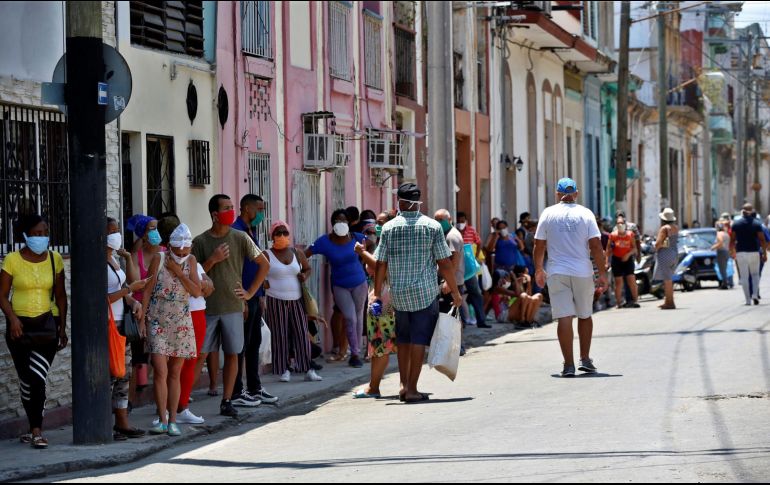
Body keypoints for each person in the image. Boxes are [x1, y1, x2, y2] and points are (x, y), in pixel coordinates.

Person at [372, 183, 462, 403]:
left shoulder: (389, 228)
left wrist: (376, 293)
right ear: (418, 203)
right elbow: (445, 263)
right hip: (424, 293)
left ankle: (403, 385)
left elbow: (380, 263)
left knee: (403, 340)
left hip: (399, 294)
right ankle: (412, 389)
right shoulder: (432, 227)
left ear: (401, 202)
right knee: (418, 340)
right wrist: (456, 293)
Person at [191, 195, 270, 418]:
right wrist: (212, 260)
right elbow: (193, 274)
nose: (231, 211)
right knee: (200, 355)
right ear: (214, 214)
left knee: (233, 353)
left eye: (232, 207)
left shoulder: (240, 237)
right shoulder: (200, 241)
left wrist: (250, 293)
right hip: (206, 308)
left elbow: (264, 263)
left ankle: (227, 400)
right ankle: (183, 402)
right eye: (226, 208)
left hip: (233, 306)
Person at [0, 214, 68, 449]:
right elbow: (2, 295)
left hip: (46, 327)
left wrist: (63, 327)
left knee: (37, 377)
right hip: (18, 329)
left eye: (45, 233)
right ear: (26, 235)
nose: (42, 237)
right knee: (26, 381)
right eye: (37, 233)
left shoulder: (54, 259)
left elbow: (60, 295)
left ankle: (37, 431)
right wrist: (12, 319)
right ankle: (32, 428)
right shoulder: (12, 260)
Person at [534, 178, 608, 377]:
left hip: (557, 271)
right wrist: (602, 273)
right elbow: (596, 246)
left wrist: (539, 269)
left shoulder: (548, 214)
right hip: (582, 271)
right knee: (585, 315)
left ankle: (568, 365)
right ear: (576, 193)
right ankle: (584, 358)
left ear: (557, 194)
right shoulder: (586, 214)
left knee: (564, 317)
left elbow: (539, 245)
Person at [141, 224, 202, 436]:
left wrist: (179, 272)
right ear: (171, 248)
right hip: (157, 318)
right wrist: (142, 320)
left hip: (181, 321)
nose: (182, 255)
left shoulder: (191, 262)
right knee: (160, 369)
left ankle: (173, 419)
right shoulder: (159, 259)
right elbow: (147, 290)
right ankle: (162, 419)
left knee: (175, 372)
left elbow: (196, 291)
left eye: (186, 252)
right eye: (178, 252)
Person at [230, 194, 278, 406]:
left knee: (254, 342)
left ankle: (254, 387)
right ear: (246, 208)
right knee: (241, 345)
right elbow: (236, 269)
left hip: (255, 294)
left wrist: (260, 295)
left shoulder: (251, 230)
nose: (261, 214)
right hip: (243, 296)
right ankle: (237, 391)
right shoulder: (237, 231)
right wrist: (244, 298)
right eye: (259, 209)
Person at [306, 209, 369, 368]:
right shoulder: (325, 241)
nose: (341, 224)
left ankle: (355, 353)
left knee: (359, 316)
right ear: (332, 223)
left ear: (348, 223)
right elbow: (305, 253)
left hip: (359, 283)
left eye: (344, 221)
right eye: (338, 221)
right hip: (340, 285)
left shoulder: (357, 238)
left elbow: (371, 244)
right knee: (350, 318)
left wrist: (370, 261)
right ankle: (351, 350)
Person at [106, 218, 148, 440]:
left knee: (124, 374)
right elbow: (102, 298)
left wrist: (134, 301)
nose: (116, 234)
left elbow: (122, 290)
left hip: (123, 322)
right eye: (111, 231)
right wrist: (130, 290)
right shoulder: (97, 264)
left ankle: (122, 421)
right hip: (109, 324)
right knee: (111, 374)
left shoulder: (113, 259)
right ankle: (104, 422)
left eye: (116, 230)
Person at [265, 221, 323, 383]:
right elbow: (259, 274)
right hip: (275, 300)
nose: (282, 236)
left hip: (297, 300)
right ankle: (284, 369)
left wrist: (305, 276)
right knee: (279, 335)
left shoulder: (297, 253)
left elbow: (307, 268)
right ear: (272, 236)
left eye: (285, 232)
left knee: (301, 334)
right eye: (278, 233)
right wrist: (264, 283)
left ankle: (307, 368)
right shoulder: (266, 254)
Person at [353, 226, 398, 399]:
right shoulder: (380, 245)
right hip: (379, 300)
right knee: (380, 345)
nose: (376, 228)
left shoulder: (390, 245)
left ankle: (375, 387)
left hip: (385, 302)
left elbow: (383, 269)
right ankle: (374, 386)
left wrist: (362, 253)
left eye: (381, 222)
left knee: (381, 344)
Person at [127, 213, 162, 406]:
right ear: (142, 234)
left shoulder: (166, 253)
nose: (156, 232)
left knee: (159, 359)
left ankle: (162, 401)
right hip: (139, 312)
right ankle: (130, 400)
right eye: (151, 229)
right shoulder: (135, 256)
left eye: (157, 228)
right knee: (136, 359)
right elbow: (134, 283)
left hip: (161, 313)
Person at [455, 212, 489, 329]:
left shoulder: (471, 230)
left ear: (466, 220)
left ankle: (481, 320)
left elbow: (479, 242)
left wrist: (476, 255)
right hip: (457, 266)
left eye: (462, 220)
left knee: (476, 292)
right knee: (457, 294)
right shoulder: (454, 232)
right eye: (458, 221)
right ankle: (461, 322)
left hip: (469, 265)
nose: (460, 223)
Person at [730, 204, 767, 306]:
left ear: (742, 211)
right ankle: (755, 294)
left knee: (744, 277)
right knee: (755, 275)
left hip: (741, 253)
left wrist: (732, 251)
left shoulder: (736, 224)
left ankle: (747, 300)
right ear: (752, 211)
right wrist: (764, 253)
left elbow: (732, 240)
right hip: (754, 252)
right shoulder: (756, 224)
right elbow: (762, 240)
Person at [606, 216, 640, 309]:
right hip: (617, 260)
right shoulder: (612, 235)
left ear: (625, 224)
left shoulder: (630, 235)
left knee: (631, 279)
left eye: (622, 223)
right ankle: (619, 303)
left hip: (627, 259)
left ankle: (635, 300)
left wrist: (628, 255)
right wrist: (606, 261)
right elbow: (608, 249)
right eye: (618, 223)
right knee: (618, 282)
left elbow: (634, 248)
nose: (620, 225)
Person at [652, 208, 680, 310]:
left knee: (667, 280)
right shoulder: (675, 228)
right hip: (674, 253)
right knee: (669, 279)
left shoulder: (664, 228)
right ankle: (667, 301)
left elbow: (658, 243)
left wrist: (655, 248)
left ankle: (670, 302)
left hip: (665, 254)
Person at [712, 221, 732, 290]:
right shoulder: (726, 234)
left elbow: (720, 243)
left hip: (721, 252)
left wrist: (713, 247)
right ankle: (726, 282)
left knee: (722, 269)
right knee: (724, 268)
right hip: (726, 252)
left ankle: (725, 284)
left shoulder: (719, 234)